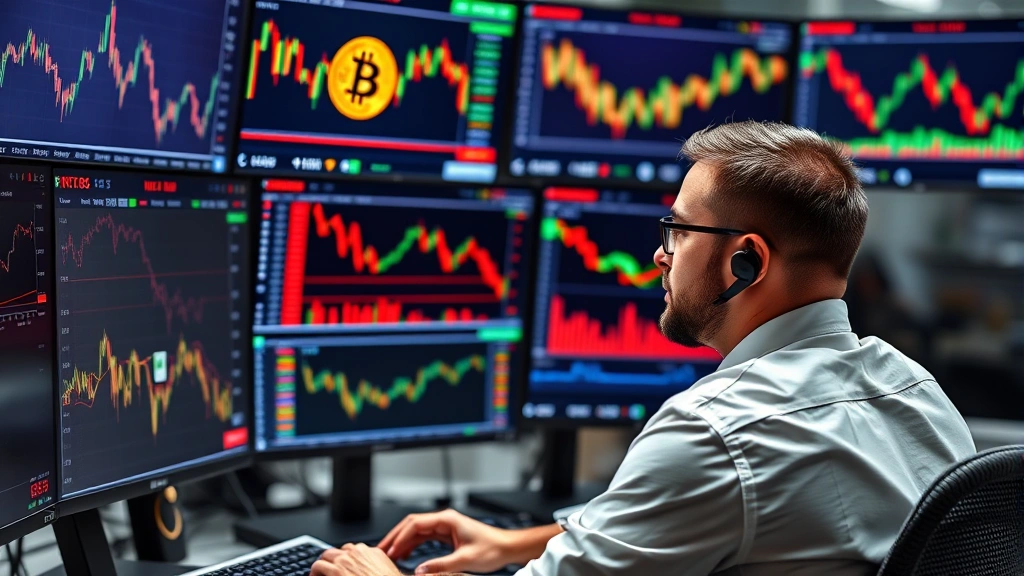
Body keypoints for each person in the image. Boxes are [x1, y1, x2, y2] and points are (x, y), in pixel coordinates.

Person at [310, 121, 976, 576]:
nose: (659, 254)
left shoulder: (716, 431)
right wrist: (514, 543)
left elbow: (712, 493)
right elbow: (717, 519)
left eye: (678, 231)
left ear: (745, 261)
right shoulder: (917, 390)